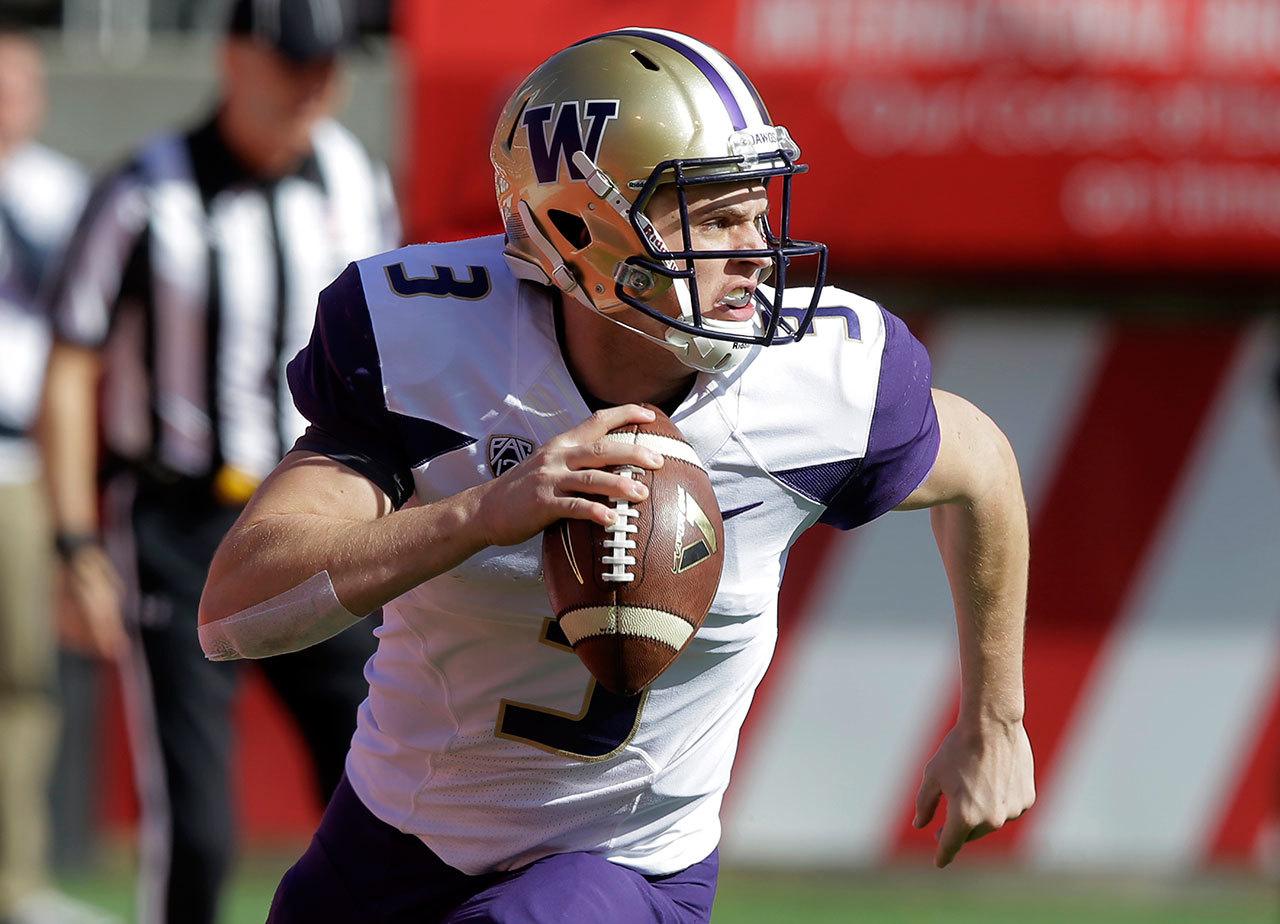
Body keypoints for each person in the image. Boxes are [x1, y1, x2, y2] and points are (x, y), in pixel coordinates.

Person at [200, 28, 1035, 924]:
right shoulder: (430, 344)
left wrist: (996, 718)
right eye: (714, 216)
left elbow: (981, 464)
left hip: (627, 872)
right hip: (393, 845)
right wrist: (481, 515)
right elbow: (234, 612)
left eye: (757, 211)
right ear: (575, 226)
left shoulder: (819, 382)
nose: (756, 251)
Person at [40, 2, 399, 922]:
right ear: (236, 57)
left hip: (320, 519)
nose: (315, 82)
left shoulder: (358, 181)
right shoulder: (144, 191)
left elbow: (399, 361)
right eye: (293, 60)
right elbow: (73, 363)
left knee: (374, 788)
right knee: (196, 822)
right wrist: (73, 539)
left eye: (329, 63)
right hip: (178, 522)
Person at [0, 23, 120, 924]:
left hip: (18, 461)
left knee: (23, 677)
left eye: (19, 83)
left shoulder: (61, 194)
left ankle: (14, 879)